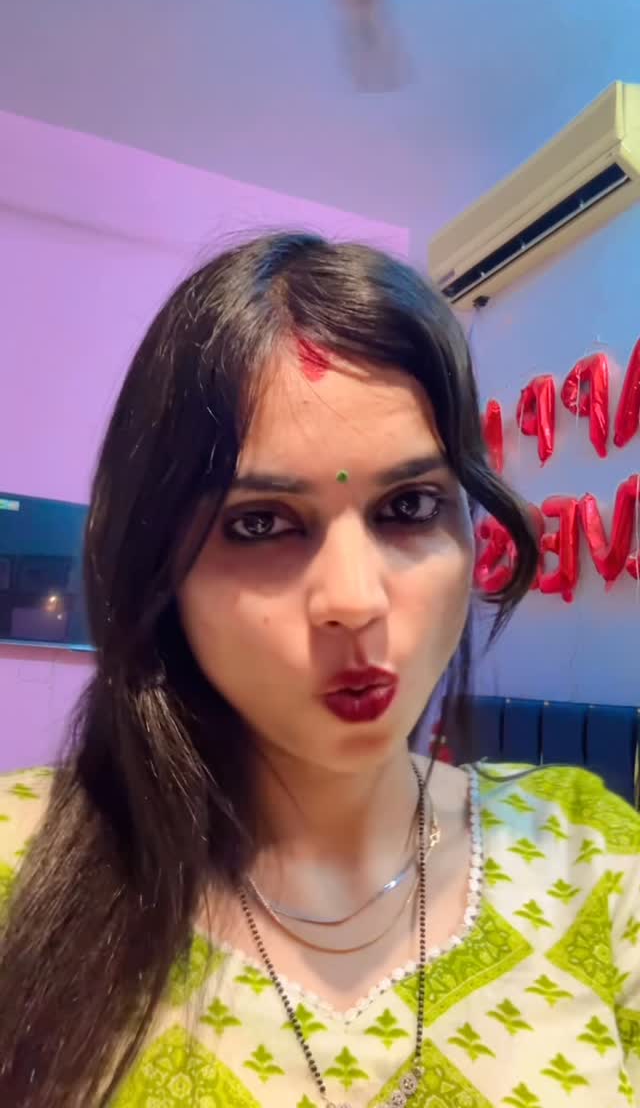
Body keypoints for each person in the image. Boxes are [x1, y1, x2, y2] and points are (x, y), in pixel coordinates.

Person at [0, 233, 638, 1108]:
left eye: (410, 506)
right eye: (260, 523)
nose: (354, 600)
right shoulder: (20, 859)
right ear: (157, 570)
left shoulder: (592, 859)